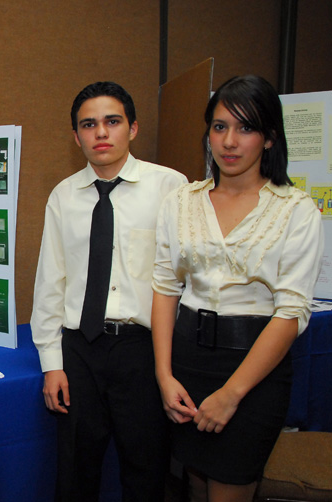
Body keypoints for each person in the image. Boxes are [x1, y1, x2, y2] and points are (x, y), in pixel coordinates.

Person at [151, 75, 323, 502]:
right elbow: (164, 287)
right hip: (187, 363)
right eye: (220, 126)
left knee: (229, 488)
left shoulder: (295, 210)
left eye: (246, 128)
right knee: (193, 482)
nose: (229, 141)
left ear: (269, 139)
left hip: (253, 371)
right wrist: (163, 374)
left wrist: (231, 394)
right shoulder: (182, 201)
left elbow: (291, 312)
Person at [31, 81, 187, 501]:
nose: (100, 133)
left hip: (143, 349)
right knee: (76, 472)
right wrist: (52, 363)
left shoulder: (171, 187)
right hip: (79, 351)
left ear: (132, 129)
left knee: (146, 469)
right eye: (88, 124)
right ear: (76, 136)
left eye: (112, 121)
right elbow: (50, 282)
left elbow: (183, 277)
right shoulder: (64, 196)